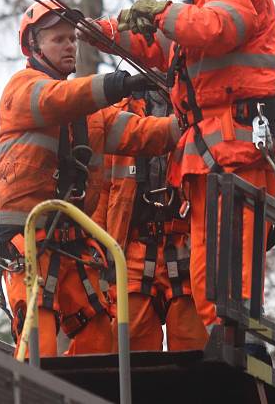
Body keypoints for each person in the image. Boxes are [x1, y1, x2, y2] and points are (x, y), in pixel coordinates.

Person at [81, 0, 275, 333]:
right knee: (206, 264)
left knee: (229, 261)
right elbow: (161, 43)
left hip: (239, 149)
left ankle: (242, 339)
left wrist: (161, 12)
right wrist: (104, 31)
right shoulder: (199, 9)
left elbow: (214, 29)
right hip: (210, 155)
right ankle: (225, 337)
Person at [0, 0, 181, 358]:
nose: (69, 46)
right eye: (58, 39)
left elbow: (144, 133)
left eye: (72, 39)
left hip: (69, 237)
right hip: (26, 234)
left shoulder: (90, 116)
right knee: (39, 338)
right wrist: (118, 84)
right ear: (33, 46)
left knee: (99, 334)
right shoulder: (22, 88)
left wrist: (189, 119)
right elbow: (58, 99)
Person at [93, 88, 207, 352]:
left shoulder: (201, 108)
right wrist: (96, 252)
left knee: (194, 352)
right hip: (132, 247)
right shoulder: (119, 113)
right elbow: (100, 189)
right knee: (127, 348)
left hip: (188, 245)